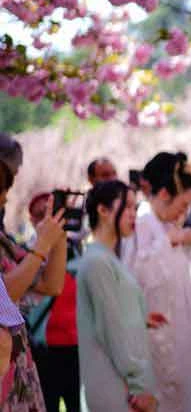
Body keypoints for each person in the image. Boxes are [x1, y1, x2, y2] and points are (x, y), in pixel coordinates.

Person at [124, 151, 191, 412]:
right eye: (183, 204)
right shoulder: (142, 223)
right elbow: (137, 274)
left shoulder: (166, 227)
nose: (184, 212)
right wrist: (170, 242)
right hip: (157, 335)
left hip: (180, 332)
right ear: (165, 194)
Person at [77, 180, 159, 412]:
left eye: (136, 207)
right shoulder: (97, 262)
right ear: (102, 211)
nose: (134, 214)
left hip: (122, 385)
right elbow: (112, 329)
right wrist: (138, 386)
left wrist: (141, 317)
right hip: (116, 389)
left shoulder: (106, 259)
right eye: (128, 207)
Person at [0, 155, 68, 410]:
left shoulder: (3, 242)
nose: (6, 199)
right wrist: (41, 245)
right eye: (2, 189)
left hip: (18, 370)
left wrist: (57, 237)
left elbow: (51, 285)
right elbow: (4, 295)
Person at [26, 193, 82, 412]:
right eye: (40, 215)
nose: (46, 220)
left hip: (73, 344)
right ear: (31, 219)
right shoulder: (28, 253)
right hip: (44, 346)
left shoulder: (75, 248)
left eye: (51, 213)